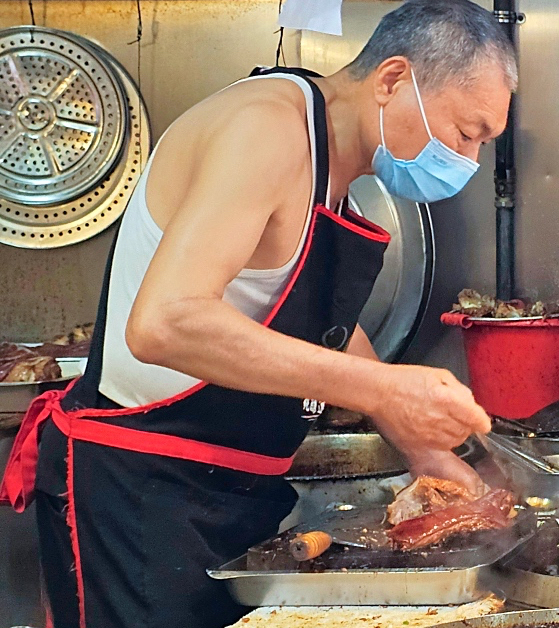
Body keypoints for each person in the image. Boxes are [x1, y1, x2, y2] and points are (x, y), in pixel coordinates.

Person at [0, 1, 516, 626]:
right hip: (138, 492)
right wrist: (385, 386)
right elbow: (164, 321)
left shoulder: (335, 166)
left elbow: (309, 309)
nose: (469, 160)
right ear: (392, 80)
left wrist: (418, 444)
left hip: (229, 495)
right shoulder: (267, 128)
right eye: (467, 134)